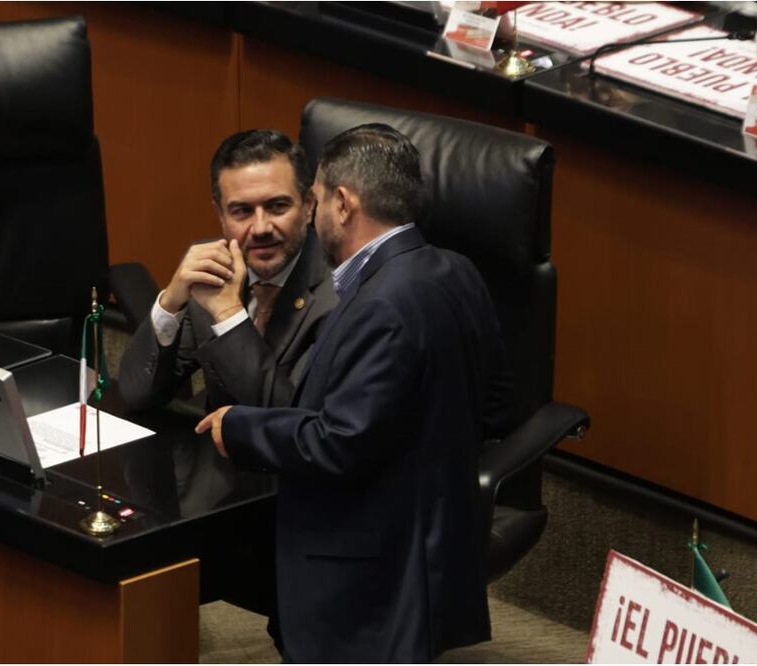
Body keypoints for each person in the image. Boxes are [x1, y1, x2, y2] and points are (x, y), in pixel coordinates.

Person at [196, 124, 509, 662]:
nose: (313, 213)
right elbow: (498, 403)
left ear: (342, 204)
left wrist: (238, 425)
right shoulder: (456, 271)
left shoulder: (380, 304)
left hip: (371, 565)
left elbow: (338, 441)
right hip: (435, 533)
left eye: (315, 199)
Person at [119, 129, 338, 413]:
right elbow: (137, 395)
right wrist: (170, 303)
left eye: (277, 206)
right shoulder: (212, 270)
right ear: (221, 215)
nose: (260, 228)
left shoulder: (339, 292)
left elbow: (296, 422)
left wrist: (229, 317)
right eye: (242, 211)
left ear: (308, 206)